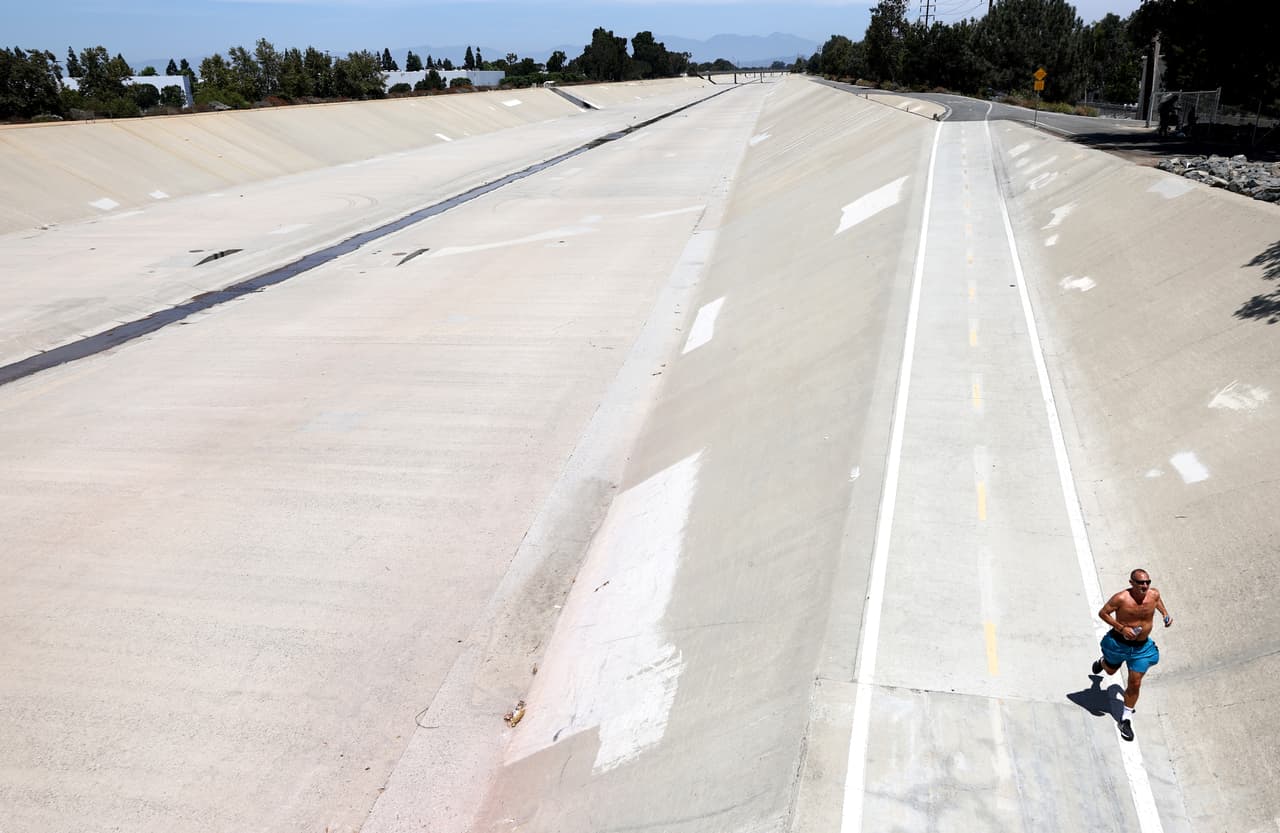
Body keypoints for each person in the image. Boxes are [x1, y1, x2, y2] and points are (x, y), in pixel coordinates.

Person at [1091, 569, 1173, 741]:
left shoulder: (1154, 594)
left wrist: (1165, 614)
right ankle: (1104, 663)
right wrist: (1122, 628)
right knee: (1111, 671)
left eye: (1147, 582)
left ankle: (1125, 719)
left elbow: (1157, 601)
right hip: (1118, 644)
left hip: (1141, 649)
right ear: (1131, 583)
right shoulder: (1121, 598)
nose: (1145, 586)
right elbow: (1103, 613)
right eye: (1140, 583)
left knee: (1135, 683)